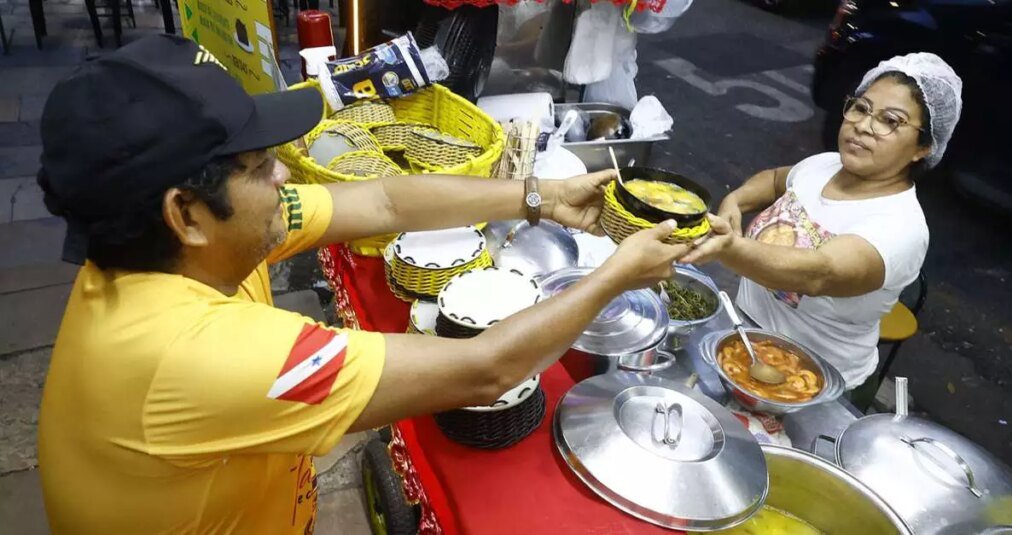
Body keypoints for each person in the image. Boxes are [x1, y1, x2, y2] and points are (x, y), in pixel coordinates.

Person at [35, 35, 691, 533]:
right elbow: (486, 367)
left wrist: (540, 196)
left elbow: (380, 204)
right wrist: (616, 275)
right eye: (260, 166)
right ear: (186, 212)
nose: (284, 180)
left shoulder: (179, 249)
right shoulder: (191, 354)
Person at [681, 53, 962, 388]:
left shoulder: (900, 228)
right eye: (861, 107)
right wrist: (735, 201)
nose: (864, 125)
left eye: (890, 120)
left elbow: (817, 273)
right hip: (743, 333)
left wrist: (727, 248)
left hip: (813, 378)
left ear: (923, 147)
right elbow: (773, 180)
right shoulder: (826, 165)